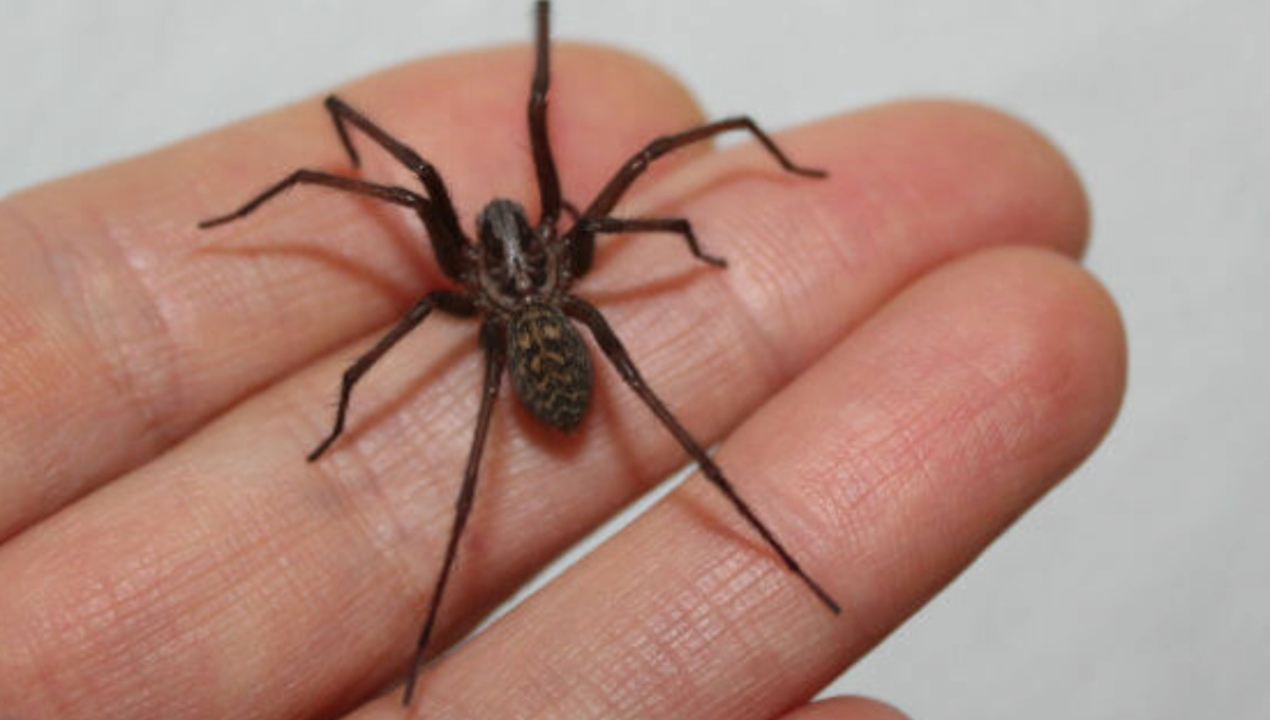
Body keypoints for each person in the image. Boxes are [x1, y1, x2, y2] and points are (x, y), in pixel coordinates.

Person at [0, 45, 1124, 720]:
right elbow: (407, 281)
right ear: (514, 254)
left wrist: (686, 226)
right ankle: (429, 633)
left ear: (535, 249)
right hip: (540, 333)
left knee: (630, 323)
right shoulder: (516, 278)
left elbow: (646, 189)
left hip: (545, 336)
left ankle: (771, 545)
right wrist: (345, 378)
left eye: (525, 239)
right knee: (472, 418)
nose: (510, 233)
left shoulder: (511, 281)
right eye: (511, 242)